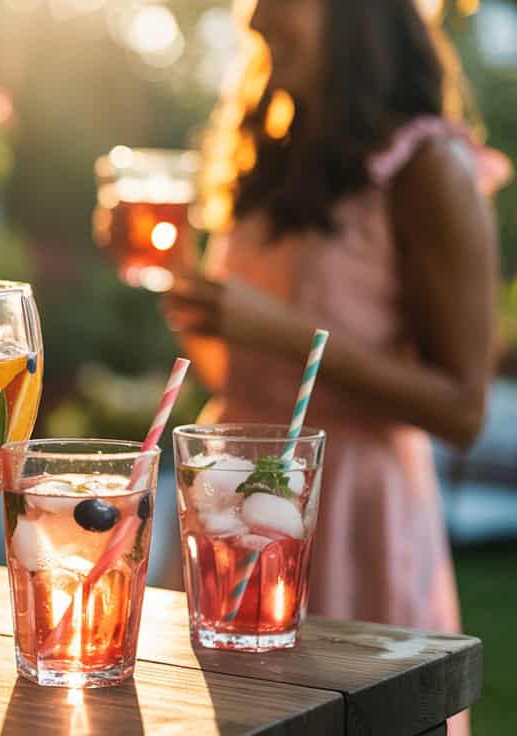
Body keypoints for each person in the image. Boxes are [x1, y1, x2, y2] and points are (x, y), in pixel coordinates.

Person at [164, 2, 508, 730]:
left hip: (355, 516)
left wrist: (285, 332)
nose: (256, 19)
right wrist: (177, 286)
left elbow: (463, 408)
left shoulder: (427, 170)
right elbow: (239, 380)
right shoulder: (274, 162)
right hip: (230, 503)